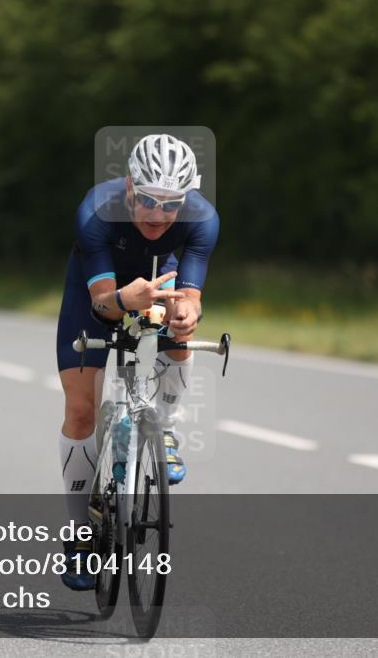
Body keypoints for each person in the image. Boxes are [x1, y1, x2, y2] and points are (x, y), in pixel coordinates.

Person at [55, 134, 219, 590]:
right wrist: (126, 298)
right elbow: (103, 307)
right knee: (81, 411)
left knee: (178, 331)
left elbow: (191, 294)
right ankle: (80, 535)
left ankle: (164, 427)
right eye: (147, 199)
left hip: (155, 282)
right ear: (129, 186)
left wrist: (188, 313)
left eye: (171, 205)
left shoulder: (203, 219)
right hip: (98, 293)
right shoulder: (96, 210)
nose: (158, 214)